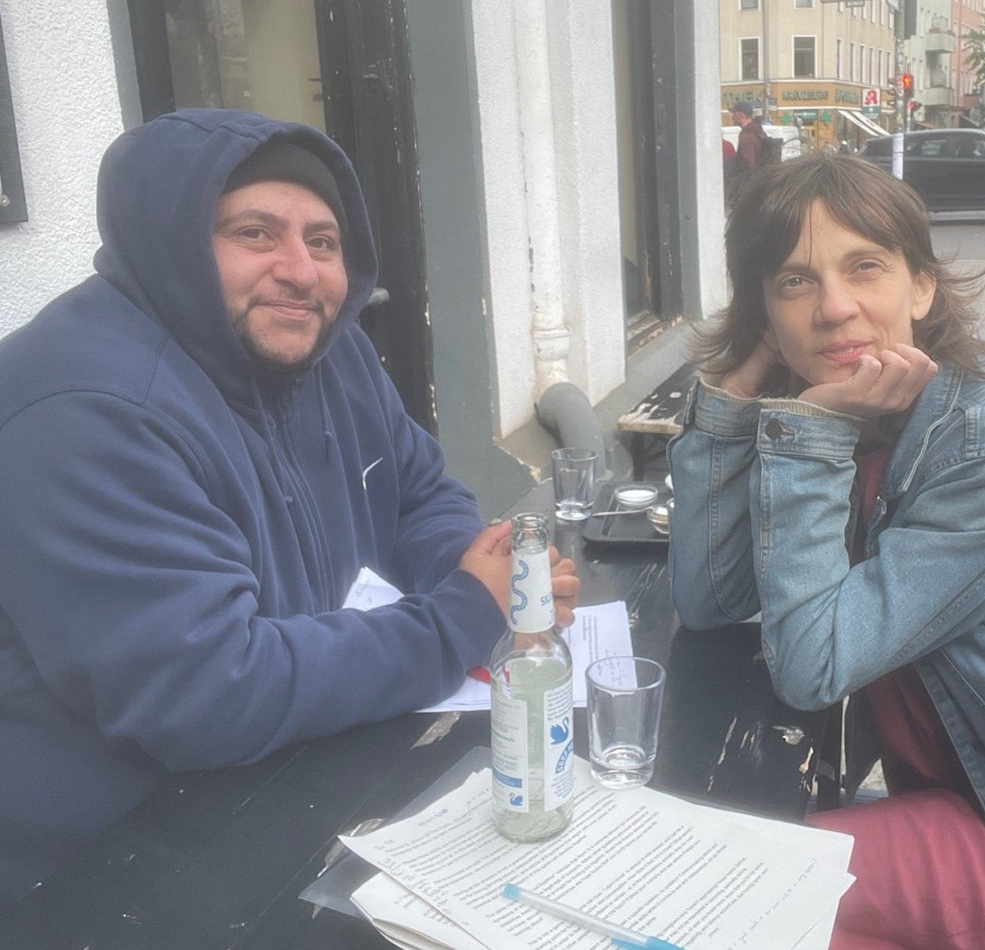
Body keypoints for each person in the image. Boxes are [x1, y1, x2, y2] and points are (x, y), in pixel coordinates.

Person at [0, 109, 579, 903]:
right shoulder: (81, 407)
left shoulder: (323, 347)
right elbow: (207, 688)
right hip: (104, 870)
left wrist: (477, 562)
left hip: (286, 779)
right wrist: (459, 617)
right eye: (255, 232)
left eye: (324, 241)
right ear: (174, 245)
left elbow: (413, 487)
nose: (301, 270)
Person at [669, 155, 985, 948]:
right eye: (793, 282)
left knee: (740, 900)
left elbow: (812, 665)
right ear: (763, 316)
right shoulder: (853, 416)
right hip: (973, 793)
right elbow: (710, 598)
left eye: (865, 267)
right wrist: (729, 408)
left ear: (920, 287)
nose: (835, 307)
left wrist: (809, 432)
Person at [730, 99, 769, 173]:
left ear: (741, 115)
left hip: (750, 181)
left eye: (733, 114)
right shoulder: (758, 131)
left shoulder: (746, 137)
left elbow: (748, 165)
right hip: (762, 177)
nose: (732, 117)